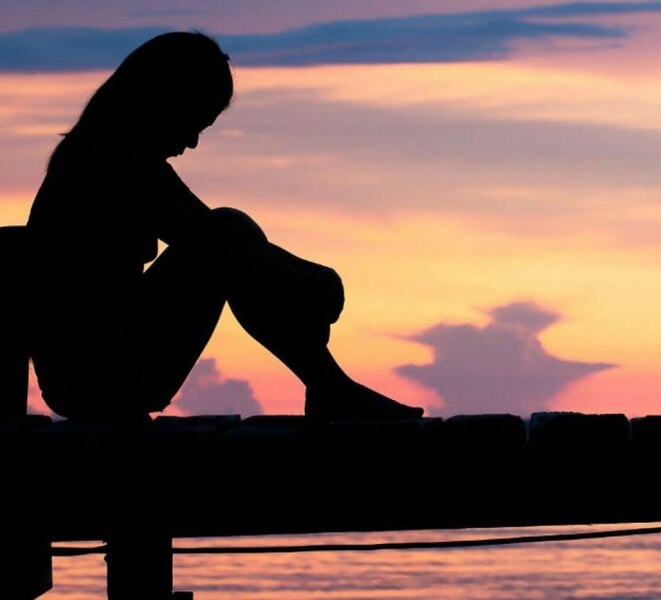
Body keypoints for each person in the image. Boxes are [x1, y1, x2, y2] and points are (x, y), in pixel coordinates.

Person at [26, 31, 424, 423]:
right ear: (163, 103)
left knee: (230, 228)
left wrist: (306, 278)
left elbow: (220, 235)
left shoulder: (129, 161)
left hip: (113, 358)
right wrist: (308, 284)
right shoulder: (108, 162)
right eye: (194, 122)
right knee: (225, 240)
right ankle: (330, 387)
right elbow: (211, 244)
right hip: (91, 374)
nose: (194, 142)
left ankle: (330, 387)